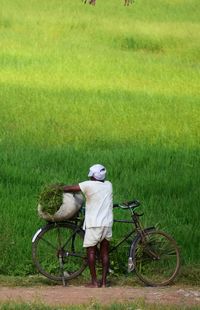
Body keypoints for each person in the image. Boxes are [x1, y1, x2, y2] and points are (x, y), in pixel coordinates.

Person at [61, 164, 113, 288]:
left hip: (94, 224)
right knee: (105, 252)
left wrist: (59, 188)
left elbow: (71, 188)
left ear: (93, 176)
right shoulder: (109, 185)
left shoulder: (88, 185)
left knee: (91, 251)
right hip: (107, 223)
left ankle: (94, 282)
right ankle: (104, 283)